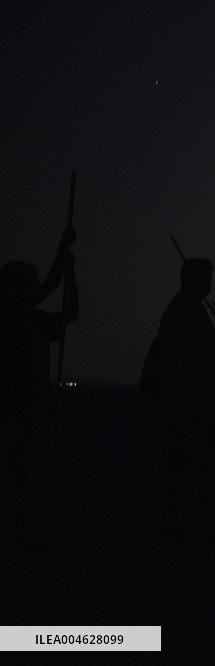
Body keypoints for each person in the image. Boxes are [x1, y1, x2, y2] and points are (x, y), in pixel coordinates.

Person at [0, 227, 78, 550]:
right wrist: (63, 258)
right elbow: (48, 288)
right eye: (29, 282)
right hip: (10, 407)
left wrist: (70, 271)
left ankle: (17, 529)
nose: (36, 287)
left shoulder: (32, 319)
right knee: (14, 470)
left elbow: (70, 313)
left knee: (21, 472)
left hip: (29, 407)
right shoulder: (10, 317)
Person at [154, 258, 215, 541]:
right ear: (190, 279)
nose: (209, 285)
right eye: (204, 279)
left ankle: (182, 525)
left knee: (187, 465)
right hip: (188, 403)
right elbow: (198, 348)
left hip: (191, 401)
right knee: (202, 465)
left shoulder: (187, 309)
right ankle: (197, 526)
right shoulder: (185, 310)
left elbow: (201, 343)